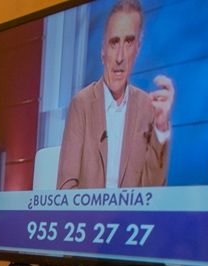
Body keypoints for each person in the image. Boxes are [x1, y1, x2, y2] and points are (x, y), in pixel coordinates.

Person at [56, 0, 175, 190]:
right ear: (103, 51)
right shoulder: (82, 104)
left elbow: (153, 194)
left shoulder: (147, 107)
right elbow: (65, 188)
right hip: (87, 211)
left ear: (138, 48)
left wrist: (160, 127)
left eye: (128, 42)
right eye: (114, 43)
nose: (120, 57)